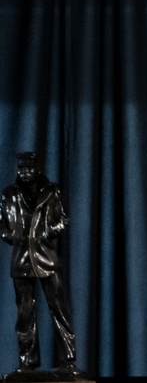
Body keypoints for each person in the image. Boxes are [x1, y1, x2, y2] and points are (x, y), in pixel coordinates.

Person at [0, 152, 77, 375]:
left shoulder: (52, 192)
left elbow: (63, 219)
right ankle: (27, 361)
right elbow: (1, 224)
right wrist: (11, 236)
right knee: (25, 315)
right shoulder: (9, 195)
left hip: (46, 259)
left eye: (29, 168)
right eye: (21, 169)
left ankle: (69, 359)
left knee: (60, 309)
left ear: (37, 169)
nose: (25, 173)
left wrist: (47, 232)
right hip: (21, 261)